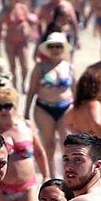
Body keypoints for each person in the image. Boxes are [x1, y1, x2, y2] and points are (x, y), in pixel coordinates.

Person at [27, 32, 76, 176]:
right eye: (52, 46)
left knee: (67, 144)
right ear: (47, 48)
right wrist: (26, 112)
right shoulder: (40, 67)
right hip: (44, 108)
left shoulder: (69, 67)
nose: (55, 49)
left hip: (66, 107)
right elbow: (31, 91)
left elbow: (76, 91)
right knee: (48, 144)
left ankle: (69, 175)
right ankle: (50, 176)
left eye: (58, 46)